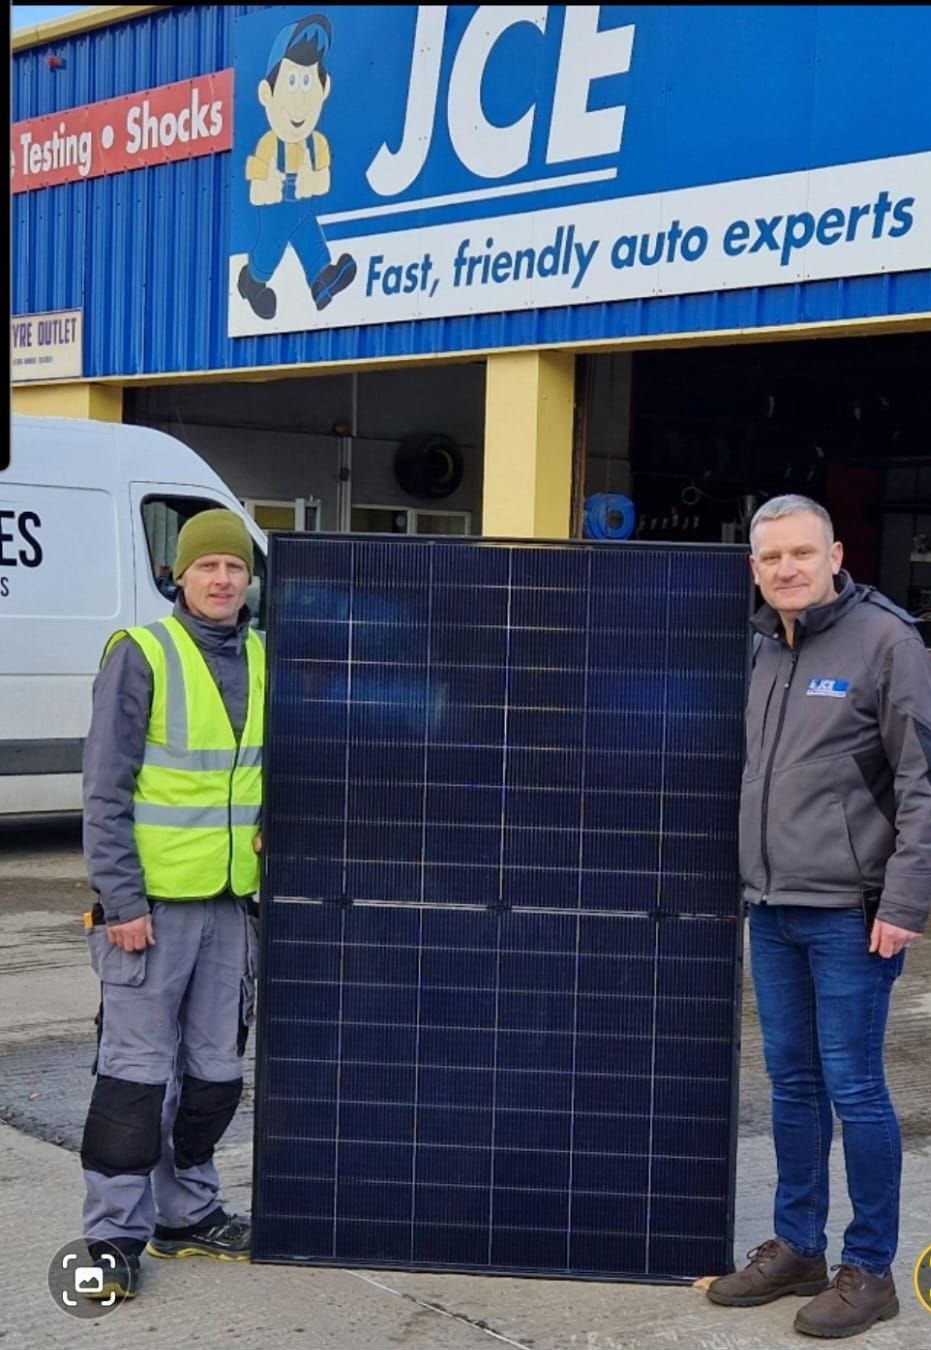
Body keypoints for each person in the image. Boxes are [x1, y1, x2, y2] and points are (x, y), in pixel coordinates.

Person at [707, 494, 931, 1338]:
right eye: (771, 558)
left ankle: (869, 1268)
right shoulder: (760, 645)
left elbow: (923, 782)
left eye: (801, 554)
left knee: (854, 1088)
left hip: (852, 915)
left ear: (835, 553)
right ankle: (798, 1247)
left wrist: (905, 901)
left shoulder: (886, 641)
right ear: (754, 568)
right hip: (771, 909)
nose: (787, 570)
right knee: (792, 1086)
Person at [79, 509, 265, 1300]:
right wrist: (120, 898)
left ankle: (187, 1216)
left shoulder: (262, 654)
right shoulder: (141, 652)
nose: (221, 580)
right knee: (135, 1078)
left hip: (231, 908)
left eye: (234, 566)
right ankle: (112, 1235)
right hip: (148, 913)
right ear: (178, 576)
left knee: (216, 1074)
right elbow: (103, 788)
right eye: (206, 567)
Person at [237, 13, 357, 320]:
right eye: (292, 81)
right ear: (267, 93)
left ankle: (321, 282)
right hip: (275, 212)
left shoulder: (317, 144)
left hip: (303, 208)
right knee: (268, 253)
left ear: (323, 88)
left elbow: (324, 178)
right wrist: (269, 187)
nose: (301, 96)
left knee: (311, 239)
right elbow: (256, 185)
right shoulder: (267, 145)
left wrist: (311, 183)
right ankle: (252, 283)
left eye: (308, 81)